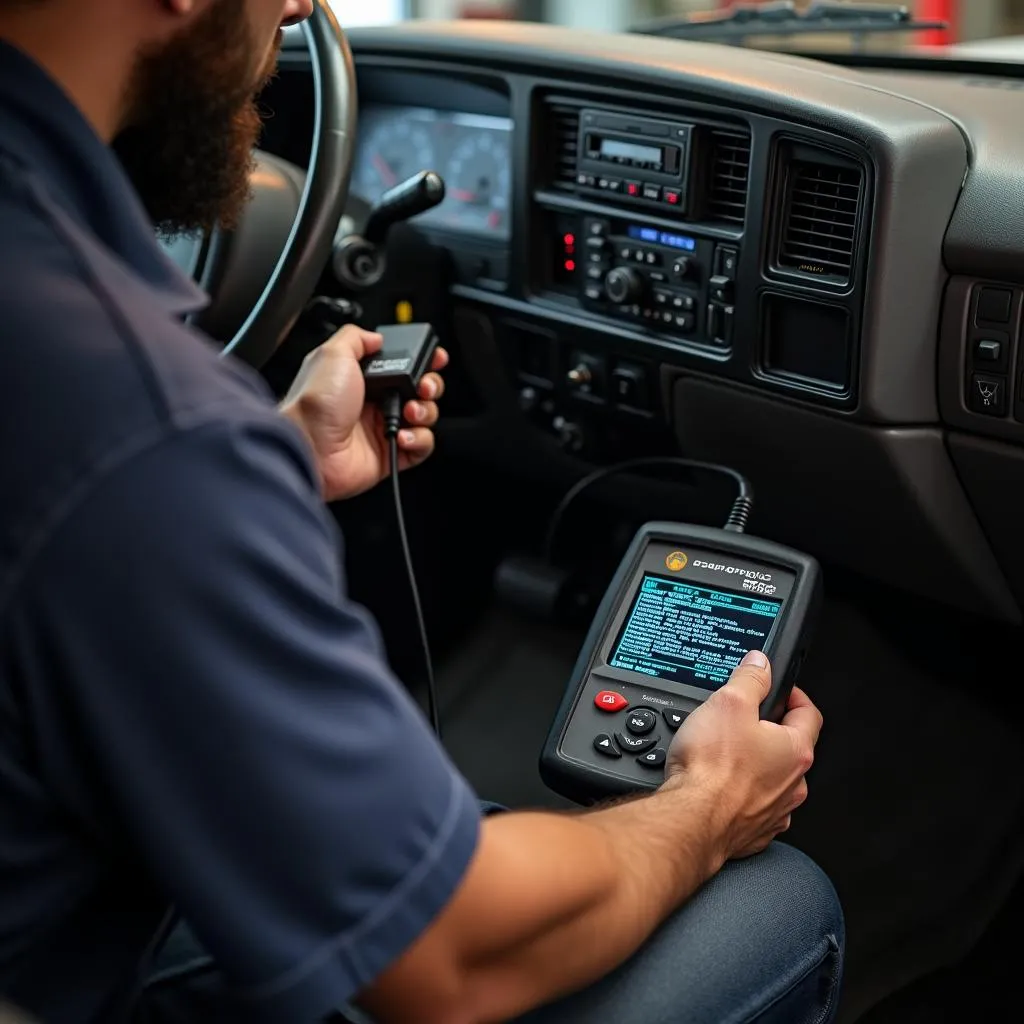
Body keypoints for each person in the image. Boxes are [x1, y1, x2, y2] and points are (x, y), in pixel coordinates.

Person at [0, 1, 844, 1022]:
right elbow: (446, 958)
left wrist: (257, 462)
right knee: (777, 900)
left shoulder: (110, 402)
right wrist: (708, 803)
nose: (302, 6)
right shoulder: (142, 420)